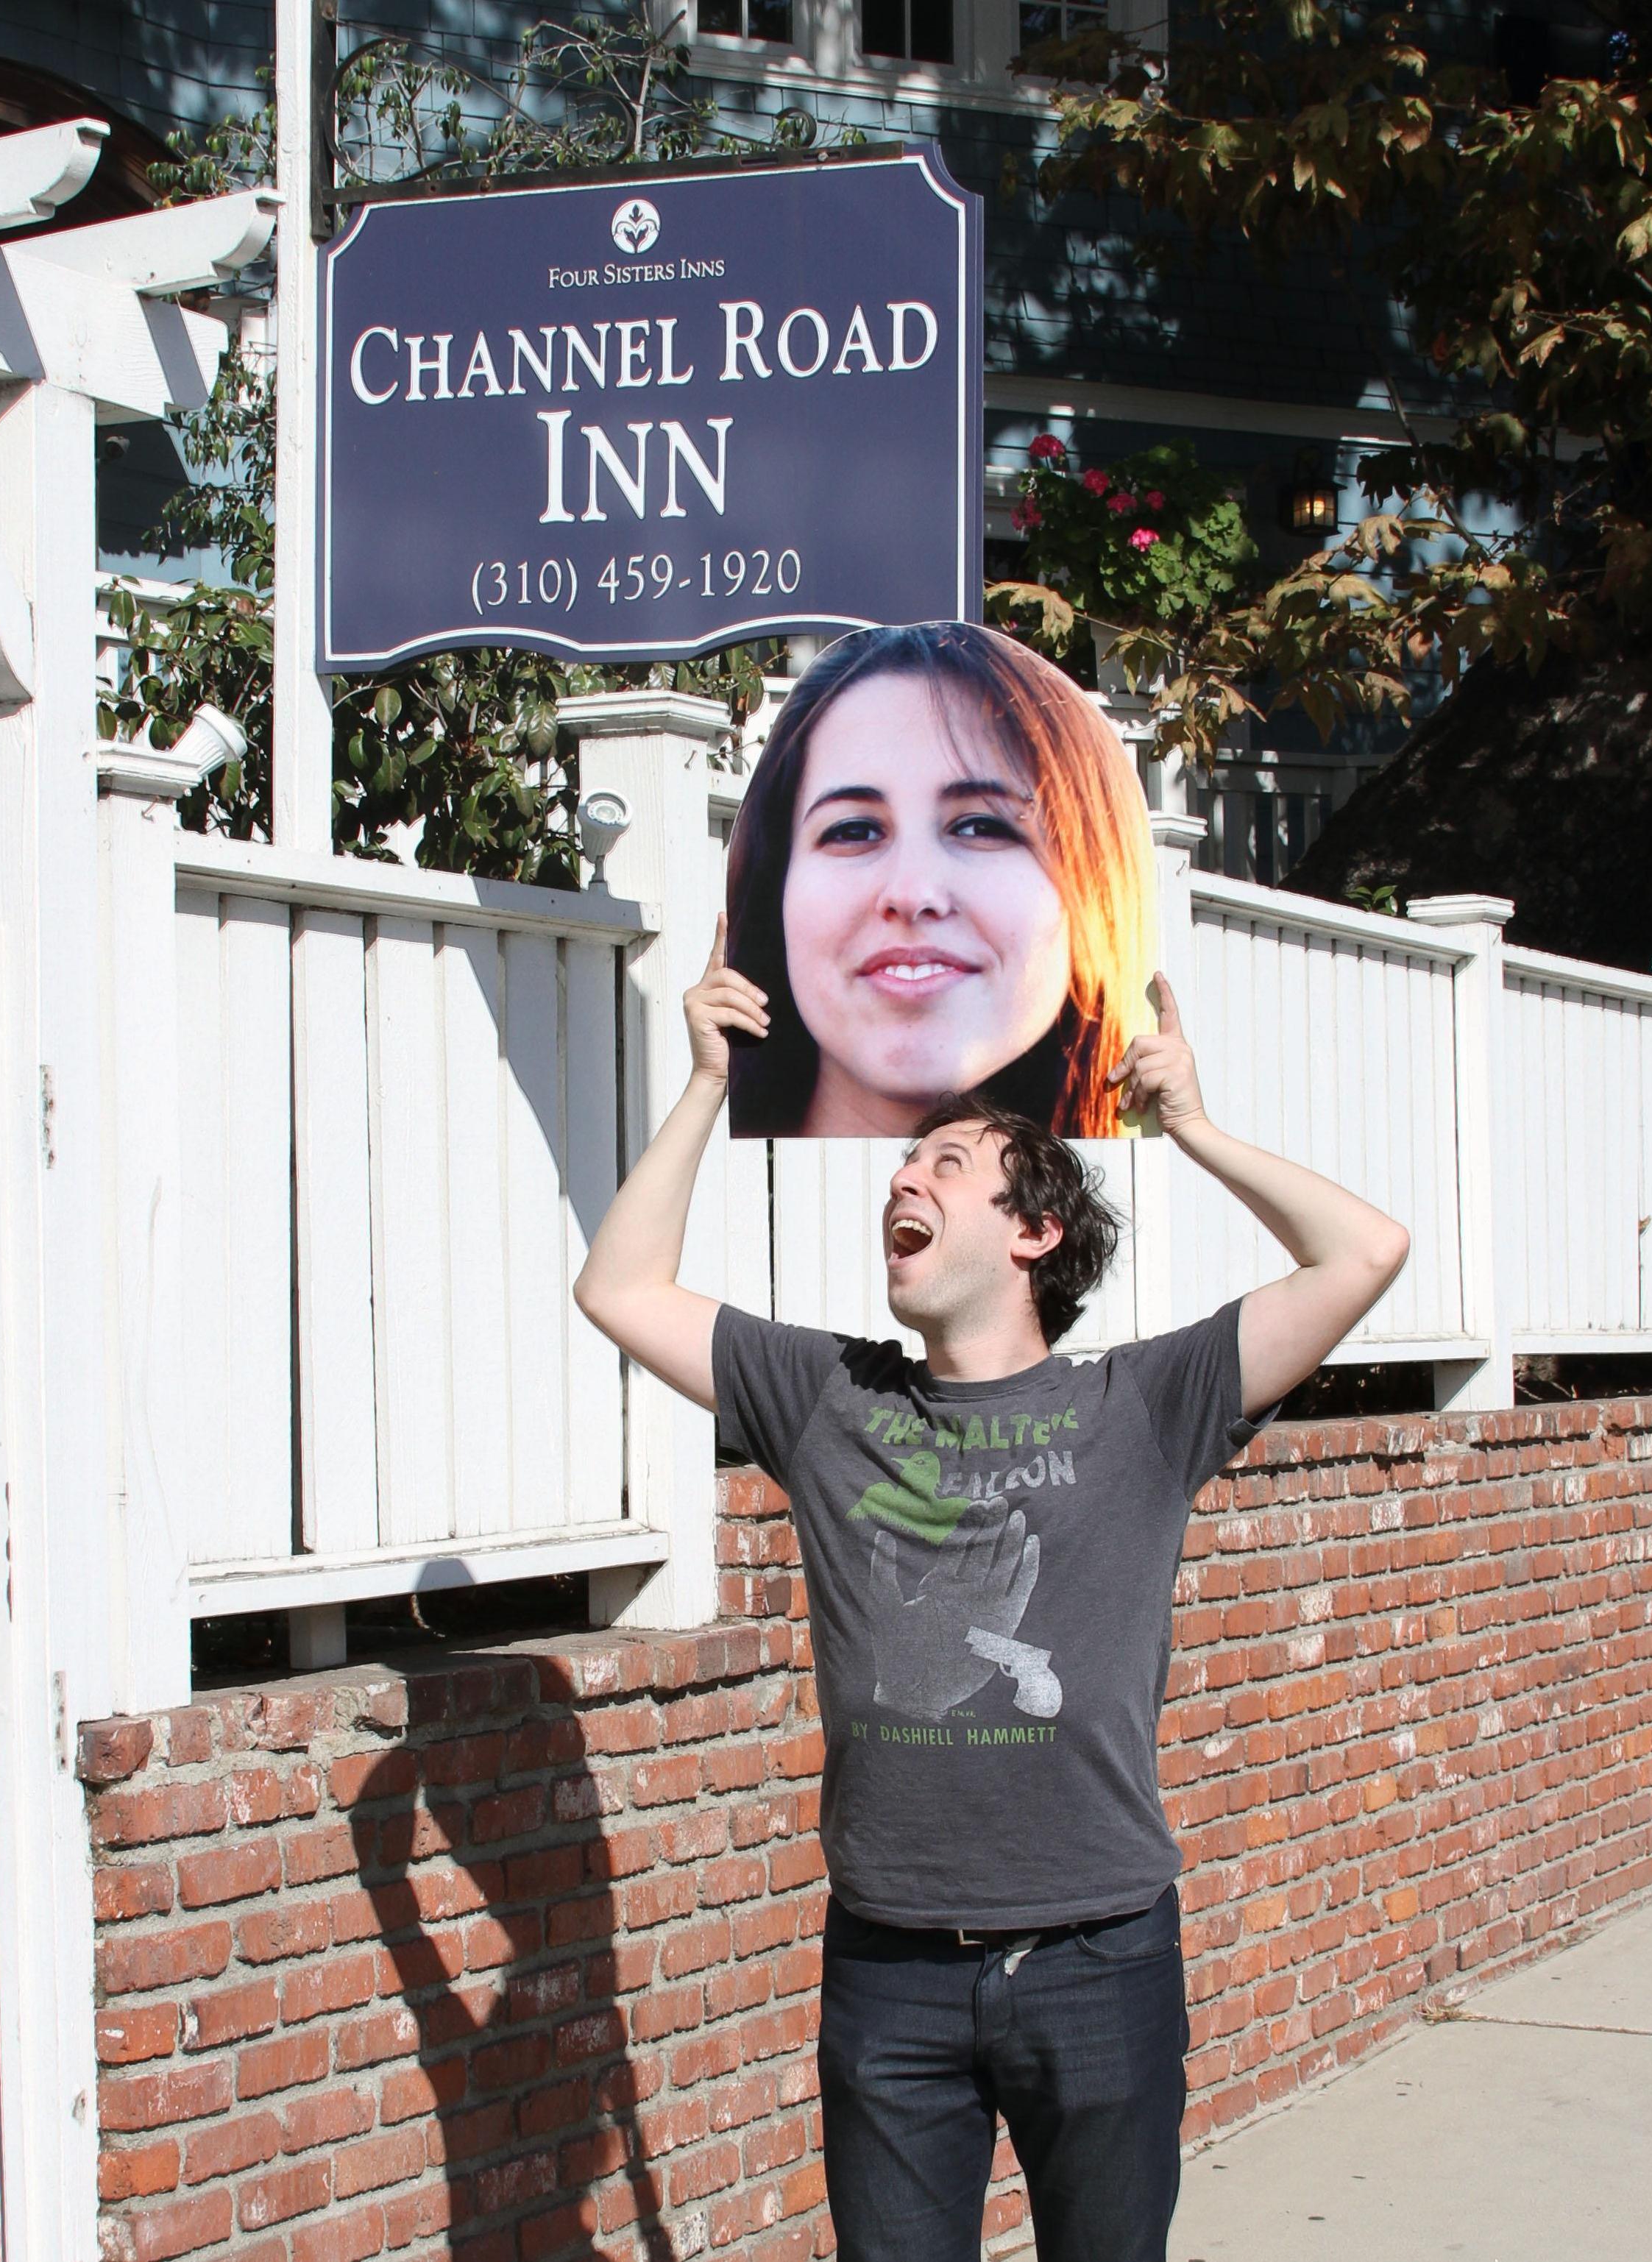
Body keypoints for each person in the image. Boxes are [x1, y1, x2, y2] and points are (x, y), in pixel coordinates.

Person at [572, 922, 1409, 2262]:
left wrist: (1189, 1122)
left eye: (945, 1163)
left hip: (1096, 1960)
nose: (903, 1176)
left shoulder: (1143, 1402)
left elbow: (1363, 1250)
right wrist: (704, 1084)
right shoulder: (828, 1394)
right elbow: (616, 1285)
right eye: (905, 1159)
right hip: (890, 1967)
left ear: (1035, 1229)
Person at [725, 620, 1155, 1139]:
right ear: (778, 883)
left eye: (980, 826)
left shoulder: (1141, 1189)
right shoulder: (709, 1170)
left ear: (1092, 882)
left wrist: (1193, 1129)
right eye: (854, 830)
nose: (912, 895)